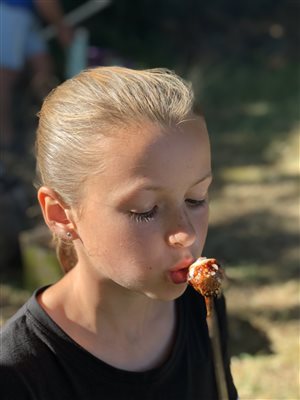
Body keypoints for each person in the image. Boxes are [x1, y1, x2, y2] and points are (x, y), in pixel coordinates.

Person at [0, 66, 238, 399]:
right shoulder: (18, 372)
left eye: (195, 199)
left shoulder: (203, 305)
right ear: (60, 214)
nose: (185, 234)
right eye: (145, 210)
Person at [0, 0, 73, 152]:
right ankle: (6, 140)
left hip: (25, 13)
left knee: (43, 68)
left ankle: (59, 127)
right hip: (10, 10)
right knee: (4, 78)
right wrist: (61, 26)